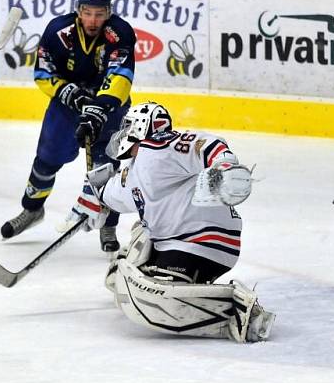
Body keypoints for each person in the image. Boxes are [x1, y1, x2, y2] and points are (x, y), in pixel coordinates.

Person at [74, 102, 275, 342]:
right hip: (173, 243)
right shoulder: (134, 169)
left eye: (128, 125)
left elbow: (208, 146)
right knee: (141, 236)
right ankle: (144, 270)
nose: (123, 131)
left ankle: (240, 312)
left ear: (141, 126)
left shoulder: (161, 146)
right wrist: (90, 201)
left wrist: (224, 166)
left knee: (153, 295)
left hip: (200, 241)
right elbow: (112, 194)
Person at [0, 0, 136, 252]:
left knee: (104, 167)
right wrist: (66, 92)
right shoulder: (58, 31)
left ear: (108, 11)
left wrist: (99, 109)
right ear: (79, 10)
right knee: (47, 160)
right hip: (66, 109)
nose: (93, 19)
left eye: (99, 13)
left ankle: (108, 225)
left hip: (108, 109)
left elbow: (120, 77)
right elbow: (43, 73)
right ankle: (32, 210)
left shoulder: (120, 33)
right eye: (88, 12)